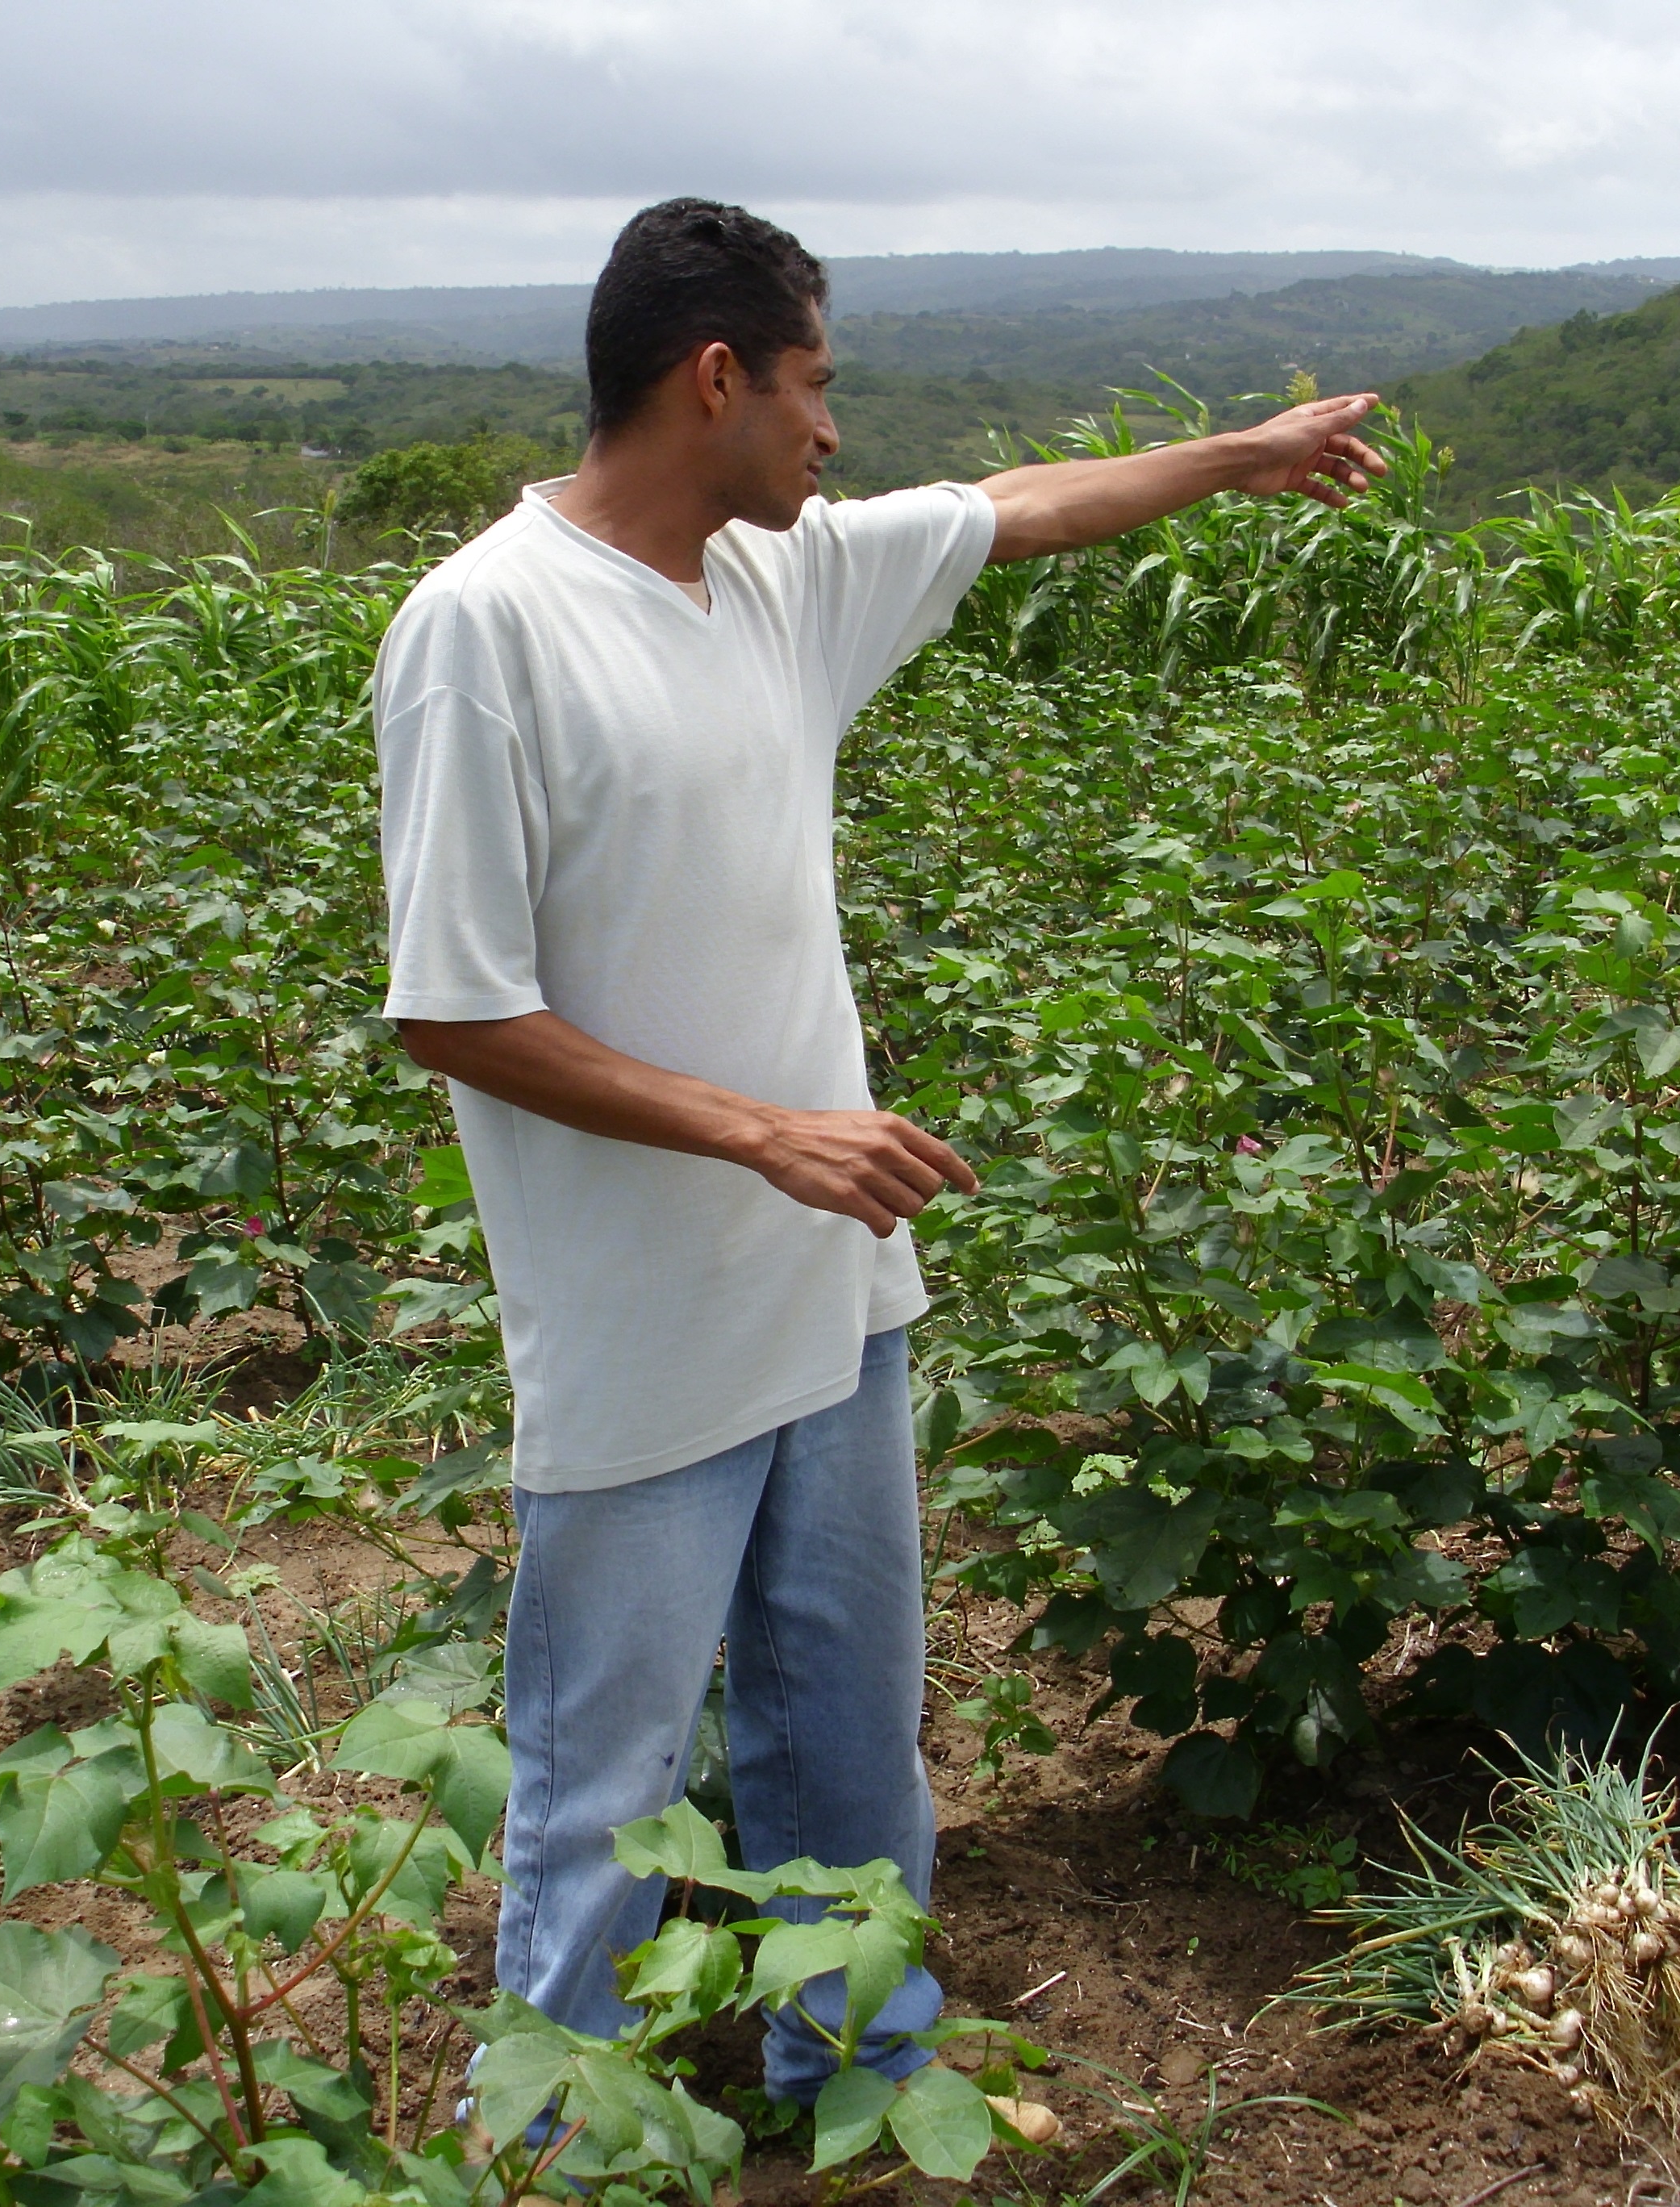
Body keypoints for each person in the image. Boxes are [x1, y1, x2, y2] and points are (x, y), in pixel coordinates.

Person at [372, 198, 1386, 2104]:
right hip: (641, 1332)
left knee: (850, 1733)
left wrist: (1246, 460)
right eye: (817, 386)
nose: (836, 434)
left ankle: (852, 2065)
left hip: (834, 1301)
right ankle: (564, 2131)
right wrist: (766, 1132)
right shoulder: (484, 628)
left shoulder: (783, 582)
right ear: (716, 375)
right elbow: (452, 1009)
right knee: (605, 1779)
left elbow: (1027, 502)